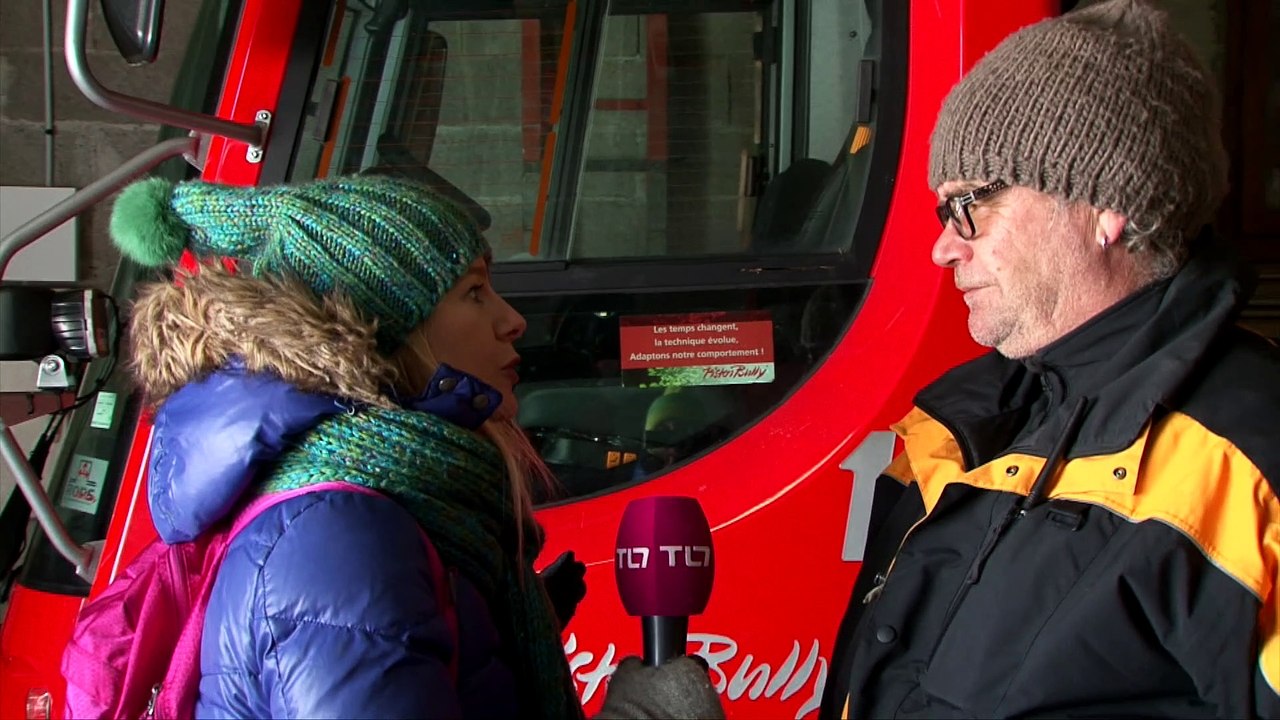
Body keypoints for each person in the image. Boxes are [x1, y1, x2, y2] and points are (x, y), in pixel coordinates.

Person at [109, 174, 723, 719]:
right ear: (387, 330)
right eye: (474, 292)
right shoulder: (340, 544)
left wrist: (487, 639)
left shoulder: (378, 516)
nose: (513, 321)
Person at [819, 1, 1280, 718]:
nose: (945, 247)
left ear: (1105, 204)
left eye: (971, 204)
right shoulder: (958, 431)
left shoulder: (1248, 469)